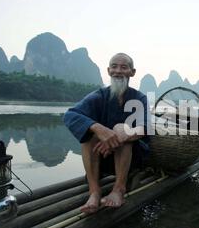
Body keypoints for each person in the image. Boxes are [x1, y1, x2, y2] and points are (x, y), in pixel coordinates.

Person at [64, 53, 150, 213]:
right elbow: (70, 115)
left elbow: (144, 127)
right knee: (88, 132)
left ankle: (119, 189)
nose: (118, 71)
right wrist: (99, 129)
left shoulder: (139, 98)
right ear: (109, 70)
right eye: (114, 66)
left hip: (131, 159)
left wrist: (117, 137)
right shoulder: (98, 96)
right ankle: (95, 192)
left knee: (122, 128)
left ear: (132, 72)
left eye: (124, 67)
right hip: (101, 158)